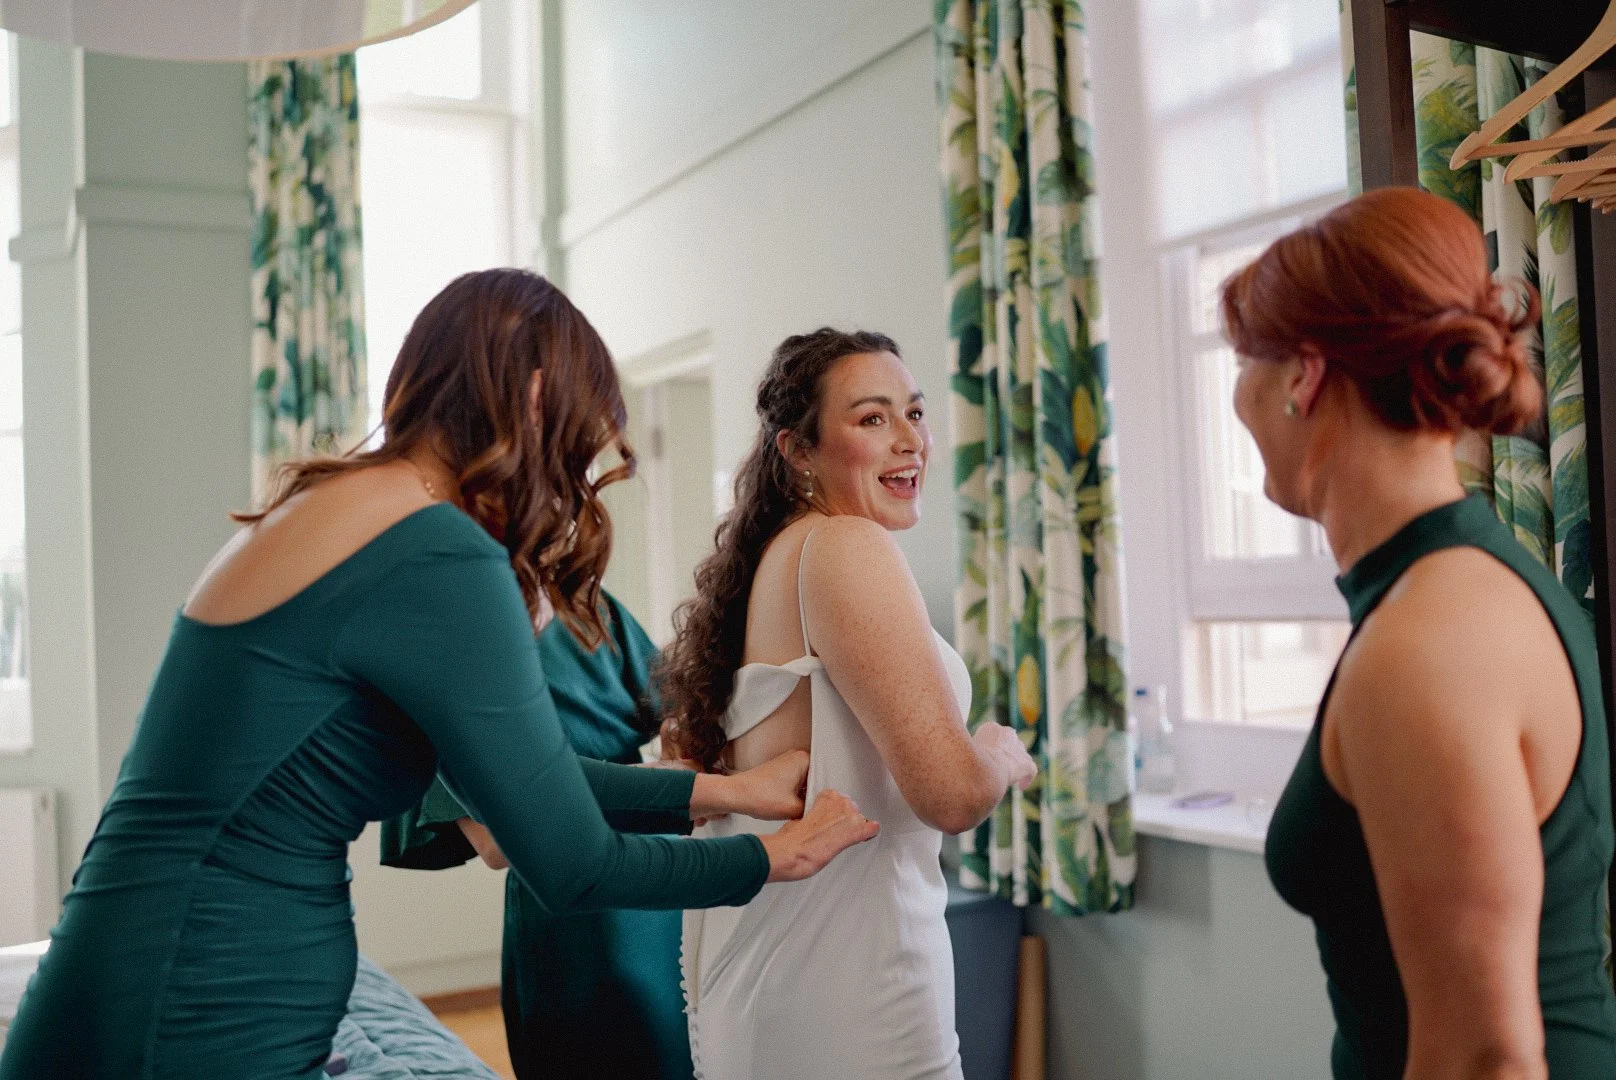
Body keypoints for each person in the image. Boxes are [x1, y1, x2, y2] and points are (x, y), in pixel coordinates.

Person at [0, 269, 878, 1080]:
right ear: (537, 397)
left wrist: (724, 792)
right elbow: (572, 863)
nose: (574, 480)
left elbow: (530, 780)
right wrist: (773, 858)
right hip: (194, 1007)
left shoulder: (341, 505)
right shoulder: (437, 551)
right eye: (578, 444)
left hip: (142, 973)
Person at [1226, 188, 1616, 1079]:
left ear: (1304, 376)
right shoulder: (1450, 586)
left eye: (1247, 361)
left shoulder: (1427, 642)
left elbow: (1487, 1057)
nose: (1237, 397)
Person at [658, 328, 1038, 1080]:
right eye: (872, 418)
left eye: (915, 413)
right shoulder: (844, 547)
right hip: (850, 990)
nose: (910, 440)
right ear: (799, 450)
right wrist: (997, 753)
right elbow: (952, 795)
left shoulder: (783, 555)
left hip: (783, 977)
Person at [382, 589, 699, 1080]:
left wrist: (685, 741)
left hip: (661, 889)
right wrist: (667, 783)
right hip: (572, 915)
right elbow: (496, 842)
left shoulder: (588, 607)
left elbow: (680, 706)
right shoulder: (450, 640)